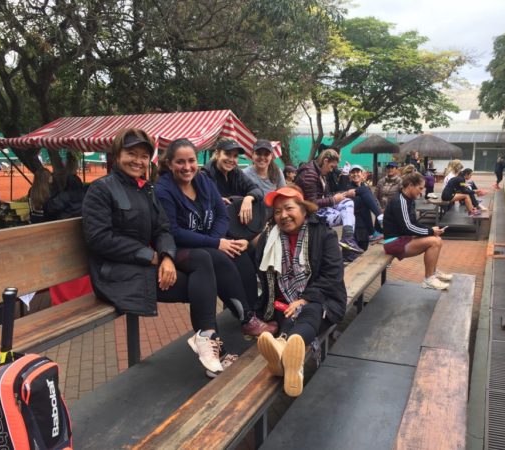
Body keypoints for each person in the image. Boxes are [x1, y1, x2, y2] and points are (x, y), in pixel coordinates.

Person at [82, 128, 227, 377]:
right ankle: (212, 347)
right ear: (117, 155)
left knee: (202, 261)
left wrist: (167, 256)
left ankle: (207, 340)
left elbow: (163, 229)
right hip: (114, 274)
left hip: (141, 268)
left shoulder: (146, 189)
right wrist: (150, 256)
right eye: (131, 154)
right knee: (201, 284)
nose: (138, 161)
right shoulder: (101, 190)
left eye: (143, 156)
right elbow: (99, 239)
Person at [155, 138, 276, 338]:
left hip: (208, 241)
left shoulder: (202, 181)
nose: (187, 167)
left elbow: (222, 215)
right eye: (180, 162)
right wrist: (215, 243)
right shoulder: (164, 189)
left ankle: (254, 313)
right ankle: (245, 318)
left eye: (191, 161)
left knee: (239, 252)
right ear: (169, 163)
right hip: (181, 248)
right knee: (218, 257)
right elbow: (173, 231)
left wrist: (215, 240)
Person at [255, 186, 346, 397]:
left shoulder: (324, 234)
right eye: (277, 212)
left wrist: (304, 299)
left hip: (324, 299)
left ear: (304, 209)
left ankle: (283, 346)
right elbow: (262, 274)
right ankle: (290, 358)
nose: (283, 216)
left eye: (289, 208)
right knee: (289, 311)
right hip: (283, 303)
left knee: (310, 309)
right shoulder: (268, 238)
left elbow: (333, 275)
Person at [382, 172, 452, 290]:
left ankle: (433, 272)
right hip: (393, 243)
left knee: (437, 239)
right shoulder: (400, 201)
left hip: (402, 238)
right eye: (420, 188)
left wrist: (430, 229)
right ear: (410, 185)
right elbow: (408, 227)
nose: (421, 192)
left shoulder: (409, 199)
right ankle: (428, 279)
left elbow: (414, 222)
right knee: (434, 242)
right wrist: (430, 232)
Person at [295, 148, 364, 254]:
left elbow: (325, 195)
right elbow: (311, 203)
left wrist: (340, 195)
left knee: (349, 203)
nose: (331, 170)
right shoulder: (310, 174)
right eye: (331, 166)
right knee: (349, 216)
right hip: (310, 214)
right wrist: (333, 199)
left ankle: (348, 238)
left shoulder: (319, 172)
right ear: (325, 161)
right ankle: (347, 242)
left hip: (321, 209)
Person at [347, 165, 384, 249]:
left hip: (365, 221)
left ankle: (373, 231)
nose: (355, 174)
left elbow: (374, 201)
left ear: (362, 174)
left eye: (357, 172)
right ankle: (373, 230)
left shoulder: (365, 186)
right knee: (356, 248)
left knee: (363, 247)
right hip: (355, 220)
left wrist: (379, 209)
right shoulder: (347, 186)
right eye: (353, 172)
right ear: (350, 175)